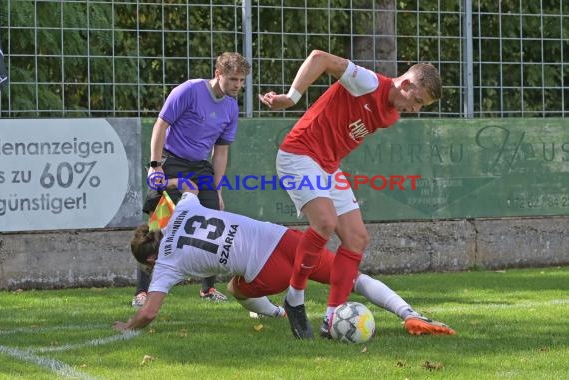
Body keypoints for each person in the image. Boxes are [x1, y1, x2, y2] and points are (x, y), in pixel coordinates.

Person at [113, 180, 455, 338]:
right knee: (350, 276)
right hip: (285, 238)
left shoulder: (166, 262)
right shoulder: (185, 207)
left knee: (236, 287)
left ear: (152, 257)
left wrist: (129, 326)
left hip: (268, 270)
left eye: (149, 266)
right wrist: (164, 183)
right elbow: (189, 184)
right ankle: (409, 314)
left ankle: (281, 311)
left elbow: (150, 311)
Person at [258, 50, 442, 339]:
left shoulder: (391, 115)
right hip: (299, 153)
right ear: (405, 84)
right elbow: (319, 57)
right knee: (325, 223)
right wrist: (292, 97)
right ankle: (294, 298)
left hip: (328, 167)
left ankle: (331, 319)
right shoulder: (368, 82)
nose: (415, 110)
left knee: (357, 239)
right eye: (417, 101)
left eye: (422, 107)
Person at [132, 52, 251, 307]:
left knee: (214, 226)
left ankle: (207, 289)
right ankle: (142, 292)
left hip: (200, 168)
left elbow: (221, 151)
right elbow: (161, 125)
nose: (238, 85)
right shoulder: (189, 90)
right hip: (171, 161)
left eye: (241, 80)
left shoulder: (230, 107)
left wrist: (217, 190)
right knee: (157, 227)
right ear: (218, 74)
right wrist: (155, 165)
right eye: (233, 79)